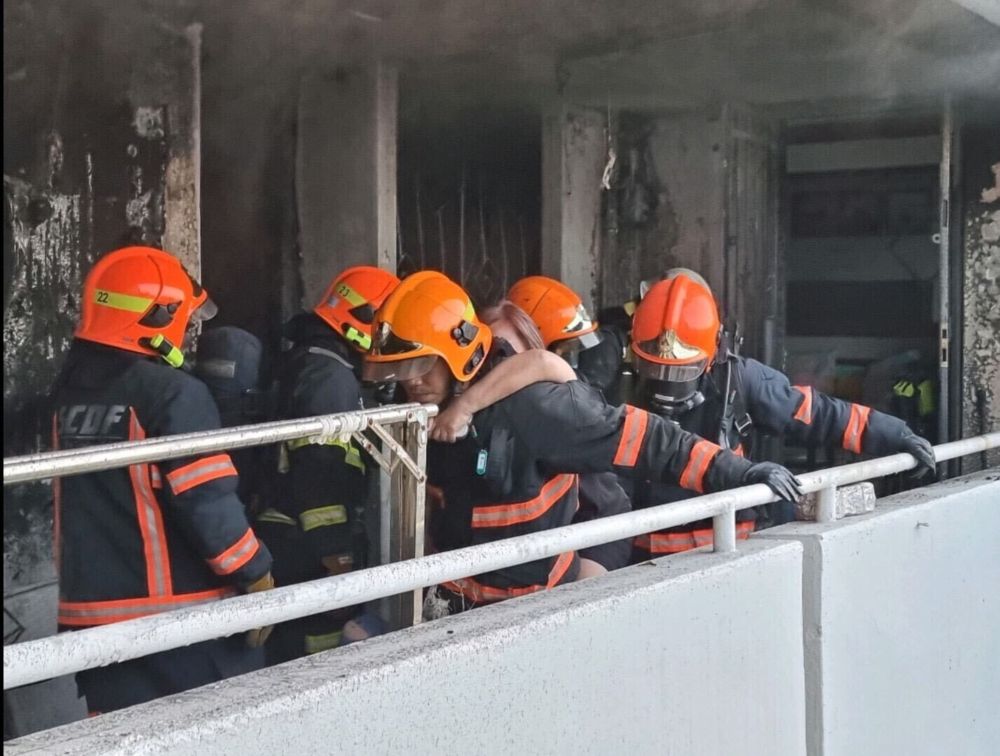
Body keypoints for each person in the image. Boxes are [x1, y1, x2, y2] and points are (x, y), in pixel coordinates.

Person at [363, 271, 802, 615]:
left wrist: (742, 473)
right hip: (452, 609)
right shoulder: (422, 414)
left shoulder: (538, 408)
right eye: (401, 370)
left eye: (422, 365)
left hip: (528, 615)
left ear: (459, 351)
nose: (412, 381)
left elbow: (656, 443)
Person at [51, 246, 274, 715]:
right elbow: (207, 501)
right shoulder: (173, 393)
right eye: (186, 320)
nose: (191, 333)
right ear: (158, 318)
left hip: (91, 621)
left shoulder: (68, 396)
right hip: (178, 624)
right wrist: (256, 574)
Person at [627, 268, 937, 558]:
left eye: (683, 371)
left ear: (714, 348)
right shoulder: (616, 387)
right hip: (640, 562)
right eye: (654, 368)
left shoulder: (738, 379)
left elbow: (815, 414)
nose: (667, 383)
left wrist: (895, 434)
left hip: (726, 554)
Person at [432, 299, 634, 577]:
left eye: (513, 363)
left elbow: (610, 508)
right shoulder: (452, 427)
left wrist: (583, 590)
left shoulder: (556, 425)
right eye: (494, 360)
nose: (504, 372)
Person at [263, 265, 399, 663]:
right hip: (308, 549)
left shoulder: (313, 361)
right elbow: (320, 470)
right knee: (318, 655)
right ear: (364, 323)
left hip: (291, 539)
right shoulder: (329, 376)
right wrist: (336, 555)